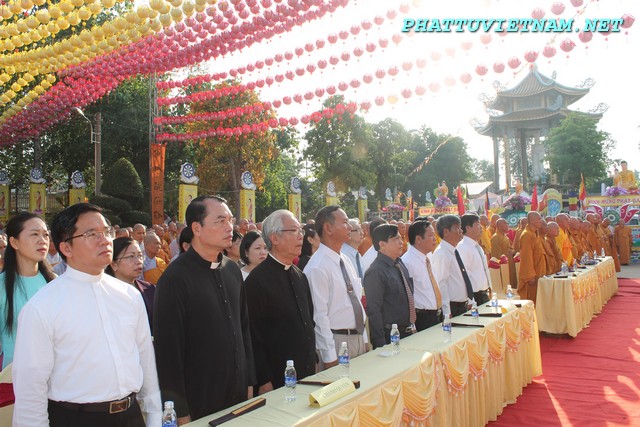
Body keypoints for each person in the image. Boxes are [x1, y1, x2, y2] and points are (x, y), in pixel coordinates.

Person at [12, 203, 161, 426]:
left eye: (106, 232)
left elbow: (146, 362)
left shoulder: (130, 295)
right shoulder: (42, 306)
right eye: (92, 234)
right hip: (76, 418)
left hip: (131, 415)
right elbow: (30, 390)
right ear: (66, 247)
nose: (105, 240)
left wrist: (155, 416)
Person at [154, 195, 255, 424]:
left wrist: (249, 382)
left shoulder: (232, 270)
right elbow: (168, 353)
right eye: (220, 221)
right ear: (197, 228)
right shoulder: (175, 279)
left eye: (230, 220)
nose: (229, 227)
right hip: (198, 400)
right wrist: (180, 411)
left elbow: (243, 329)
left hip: (238, 396)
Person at [244, 210, 315, 394]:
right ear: (274, 238)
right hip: (276, 379)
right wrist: (264, 380)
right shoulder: (257, 281)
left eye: (300, 230)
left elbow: (309, 321)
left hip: (306, 373)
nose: (301, 236)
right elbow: (253, 336)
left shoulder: (300, 275)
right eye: (294, 230)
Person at [304, 206, 367, 369]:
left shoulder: (345, 259)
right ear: (328, 228)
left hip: (357, 337)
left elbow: (356, 301)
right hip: (336, 341)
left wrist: (365, 338)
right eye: (345, 222)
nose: (350, 227)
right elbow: (319, 316)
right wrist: (329, 357)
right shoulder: (317, 267)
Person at [0, 213, 55, 369]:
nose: (42, 240)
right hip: (12, 374)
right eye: (34, 234)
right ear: (14, 242)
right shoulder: (2, 285)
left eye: (45, 235)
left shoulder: (56, 283)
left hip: (55, 374)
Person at [364, 224, 416, 349]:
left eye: (400, 238)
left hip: (408, 332)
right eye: (396, 239)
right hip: (390, 336)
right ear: (382, 244)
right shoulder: (376, 272)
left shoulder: (399, 263)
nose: (401, 242)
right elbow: (374, 310)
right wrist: (380, 343)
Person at [105, 237, 155, 331]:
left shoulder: (149, 289)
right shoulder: (106, 294)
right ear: (114, 264)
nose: (139, 261)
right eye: (131, 256)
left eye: (140, 256)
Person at [401, 220, 442, 331]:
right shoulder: (407, 262)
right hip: (421, 318)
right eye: (431, 235)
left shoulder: (428, 257)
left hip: (436, 314)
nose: (435, 238)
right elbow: (406, 295)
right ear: (418, 239)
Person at [431, 215, 473, 318]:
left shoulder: (454, 250)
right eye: (457, 228)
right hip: (453, 307)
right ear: (446, 231)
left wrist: (470, 300)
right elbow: (441, 283)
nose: (461, 231)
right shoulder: (442, 253)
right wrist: (446, 311)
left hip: (462, 305)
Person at [457, 214, 492, 305]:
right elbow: (464, 276)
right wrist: (470, 300)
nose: (481, 227)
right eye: (477, 224)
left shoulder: (477, 246)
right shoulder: (463, 247)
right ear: (468, 228)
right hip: (474, 296)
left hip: (483, 293)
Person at [518, 211, 546, 303]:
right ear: (531, 220)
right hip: (532, 274)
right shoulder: (527, 235)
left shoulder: (535, 233)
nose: (541, 221)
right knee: (531, 300)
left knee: (539, 299)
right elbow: (526, 257)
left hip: (539, 271)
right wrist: (530, 276)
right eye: (539, 219)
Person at [491, 218, 517, 286]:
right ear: (499, 226)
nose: (507, 225)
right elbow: (496, 255)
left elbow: (509, 247)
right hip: (503, 265)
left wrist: (512, 251)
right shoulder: (495, 237)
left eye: (507, 223)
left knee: (511, 281)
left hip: (510, 262)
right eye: (505, 224)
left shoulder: (504, 236)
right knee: (505, 282)